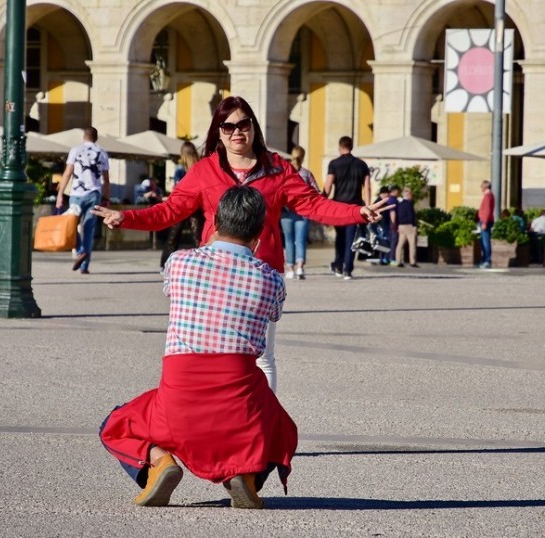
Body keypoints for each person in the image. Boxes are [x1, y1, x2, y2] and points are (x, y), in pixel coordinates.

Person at [91, 96, 390, 393]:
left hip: (260, 274)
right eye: (228, 126)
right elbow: (170, 210)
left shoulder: (277, 168)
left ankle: (264, 430)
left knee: (261, 357)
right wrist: (126, 217)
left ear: (253, 127)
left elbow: (313, 205)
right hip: (213, 273)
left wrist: (357, 212)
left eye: (243, 124)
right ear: (218, 132)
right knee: (211, 354)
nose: (237, 132)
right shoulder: (204, 170)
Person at [99, 186, 296, 510]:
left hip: (178, 405)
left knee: (115, 422)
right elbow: (273, 315)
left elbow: (171, 289)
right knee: (280, 426)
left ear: (215, 221)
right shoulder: (271, 280)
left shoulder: (180, 263)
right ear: (260, 231)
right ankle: (245, 476)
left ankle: (159, 461)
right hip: (240, 411)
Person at [56, 127, 110, 275]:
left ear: (83, 137)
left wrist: (60, 194)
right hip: (94, 195)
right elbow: (106, 180)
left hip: (76, 194)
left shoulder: (75, 150)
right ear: (96, 138)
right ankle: (84, 266)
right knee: (88, 229)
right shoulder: (103, 153)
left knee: (71, 224)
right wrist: (106, 198)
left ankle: (80, 250)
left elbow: (67, 173)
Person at [324, 135, 372, 280]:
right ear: (351, 147)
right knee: (351, 239)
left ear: (340, 147)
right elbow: (368, 187)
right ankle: (348, 269)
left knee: (340, 237)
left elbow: (328, 186)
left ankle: (338, 265)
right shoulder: (362, 164)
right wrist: (369, 207)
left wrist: (322, 202)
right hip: (355, 206)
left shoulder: (334, 164)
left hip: (338, 206)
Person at [159, 141, 204, 271]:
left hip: (180, 206)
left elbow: (177, 188)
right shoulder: (200, 166)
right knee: (198, 238)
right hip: (196, 206)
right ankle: (203, 265)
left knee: (173, 237)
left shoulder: (180, 169)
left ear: (182, 154)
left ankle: (165, 266)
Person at [280, 145, 319, 279]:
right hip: (303, 212)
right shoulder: (307, 174)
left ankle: (290, 268)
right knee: (300, 240)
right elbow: (316, 192)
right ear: (303, 157)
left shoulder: (283, 172)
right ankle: (300, 267)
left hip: (286, 212)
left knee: (288, 241)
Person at [394, 187, 418, 267]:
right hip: (409, 225)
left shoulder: (399, 204)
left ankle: (398, 261)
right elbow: (411, 215)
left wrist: (397, 225)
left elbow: (397, 215)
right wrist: (414, 225)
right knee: (412, 244)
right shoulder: (409, 204)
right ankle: (412, 262)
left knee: (400, 244)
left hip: (401, 225)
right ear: (408, 194)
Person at [477, 180, 495, 269]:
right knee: (484, 241)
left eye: (482, 186)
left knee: (485, 242)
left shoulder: (488, 196)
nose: (481, 187)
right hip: (486, 220)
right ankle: (485, 260)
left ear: (485, 187)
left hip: (485, 221)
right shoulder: (489, 195)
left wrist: (484, 222)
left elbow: (487, 210)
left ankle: (487, 260)